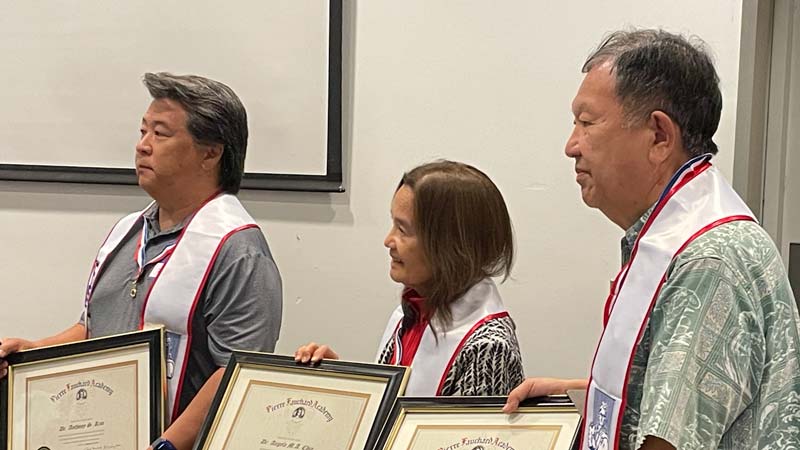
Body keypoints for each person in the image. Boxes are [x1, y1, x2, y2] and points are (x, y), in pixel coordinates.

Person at [505, 29, 800, 450]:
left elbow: (668, 442)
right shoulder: (680, 237)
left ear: (660, 136)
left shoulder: (709, 260)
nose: (572, 146)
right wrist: (581, 394)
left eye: (587, 123)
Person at [0, 73, 283, 450]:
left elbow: (236, 372)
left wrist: (167, 445)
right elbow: (94, 328)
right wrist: (35, 352)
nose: (142, 146)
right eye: (142, 131)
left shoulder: (238, 250)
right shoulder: (129, 232)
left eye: (160, 134)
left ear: (210, 153)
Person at [296, 161, 524, 396]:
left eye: (403, 230)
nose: (388, 240)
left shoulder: (488, 347)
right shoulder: (411, 314)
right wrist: (336, 385)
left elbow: (469, 433)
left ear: (450, 245)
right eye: (393, 224)